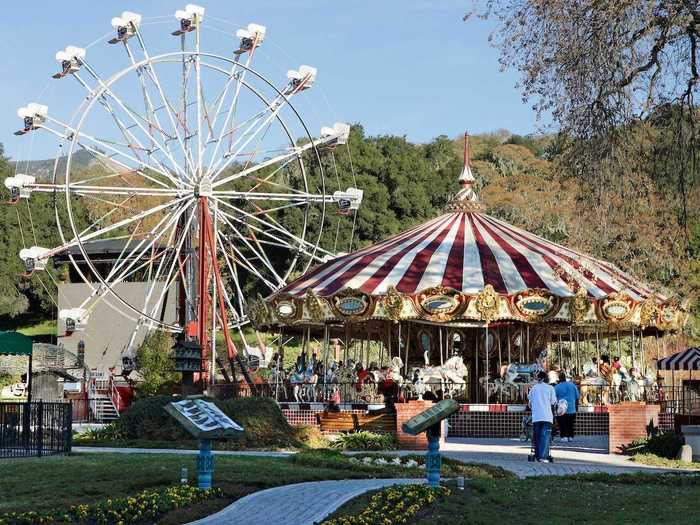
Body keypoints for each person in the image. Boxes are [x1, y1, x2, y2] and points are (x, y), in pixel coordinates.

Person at [527, 370, 557, 462]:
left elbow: (529, 403)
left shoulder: (534, 388)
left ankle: (537, 455)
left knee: (537, 436)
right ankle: (542, 456)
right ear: (545, 378)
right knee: (545, 436)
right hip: (547, 416)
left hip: (536, 416)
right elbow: (553, 402)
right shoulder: (550, 388)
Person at [554, 371, 579, 442]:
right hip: (572, 409)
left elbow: (554, 399)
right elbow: (577, 397)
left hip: (561, 409)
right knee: (570, 423)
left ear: (559, 378)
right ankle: (570, 436)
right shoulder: (573, 385)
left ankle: (564, 436)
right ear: (565, 378)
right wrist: (576, 408)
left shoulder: (557, 387)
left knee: (562, 423)